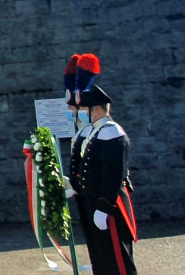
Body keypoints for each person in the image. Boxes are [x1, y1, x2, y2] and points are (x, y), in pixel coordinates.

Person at [77, 84, 137, 275]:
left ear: (95, 109)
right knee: (102, 254)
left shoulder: (111, 132)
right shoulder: (97, 131)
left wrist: (105, 206)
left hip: (109, 205)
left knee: (117, 257)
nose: (81, 113)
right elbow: (91, 170)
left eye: (84, 109)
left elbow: (113, 174)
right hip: (95, 201)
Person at [62, 54, 95, 263]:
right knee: (92, 236)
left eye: (73, 109)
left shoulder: (93, 132)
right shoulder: (81, 131)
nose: (70, 112)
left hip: (95, 193)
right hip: (85, 191)